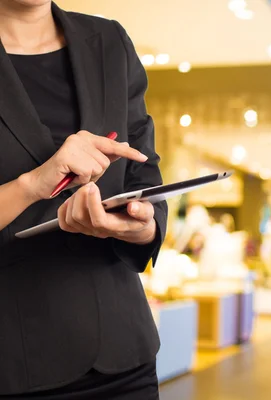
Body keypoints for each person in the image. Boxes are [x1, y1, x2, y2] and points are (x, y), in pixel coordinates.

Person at [0, 1, 167, 398]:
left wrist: (143, 226)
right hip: (15, 362)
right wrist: (33, 183)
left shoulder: (109, 41)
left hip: (123, 354)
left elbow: (145, 172)